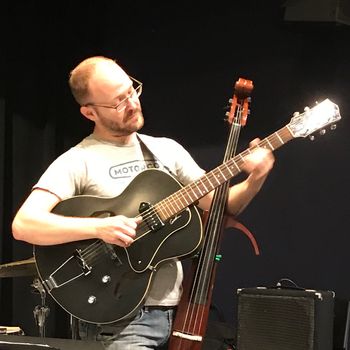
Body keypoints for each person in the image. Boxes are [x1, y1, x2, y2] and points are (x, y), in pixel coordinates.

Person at [12, 56, 275, 349]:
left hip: (176, 314)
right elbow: (25, 224)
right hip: (118, 319)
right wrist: (100, 228)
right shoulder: (79, 160)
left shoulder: (166, 151)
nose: (132, 103)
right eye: (117, 102)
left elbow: (220, 208)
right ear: (89, 113)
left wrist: (256, 178)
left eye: (131, 91)